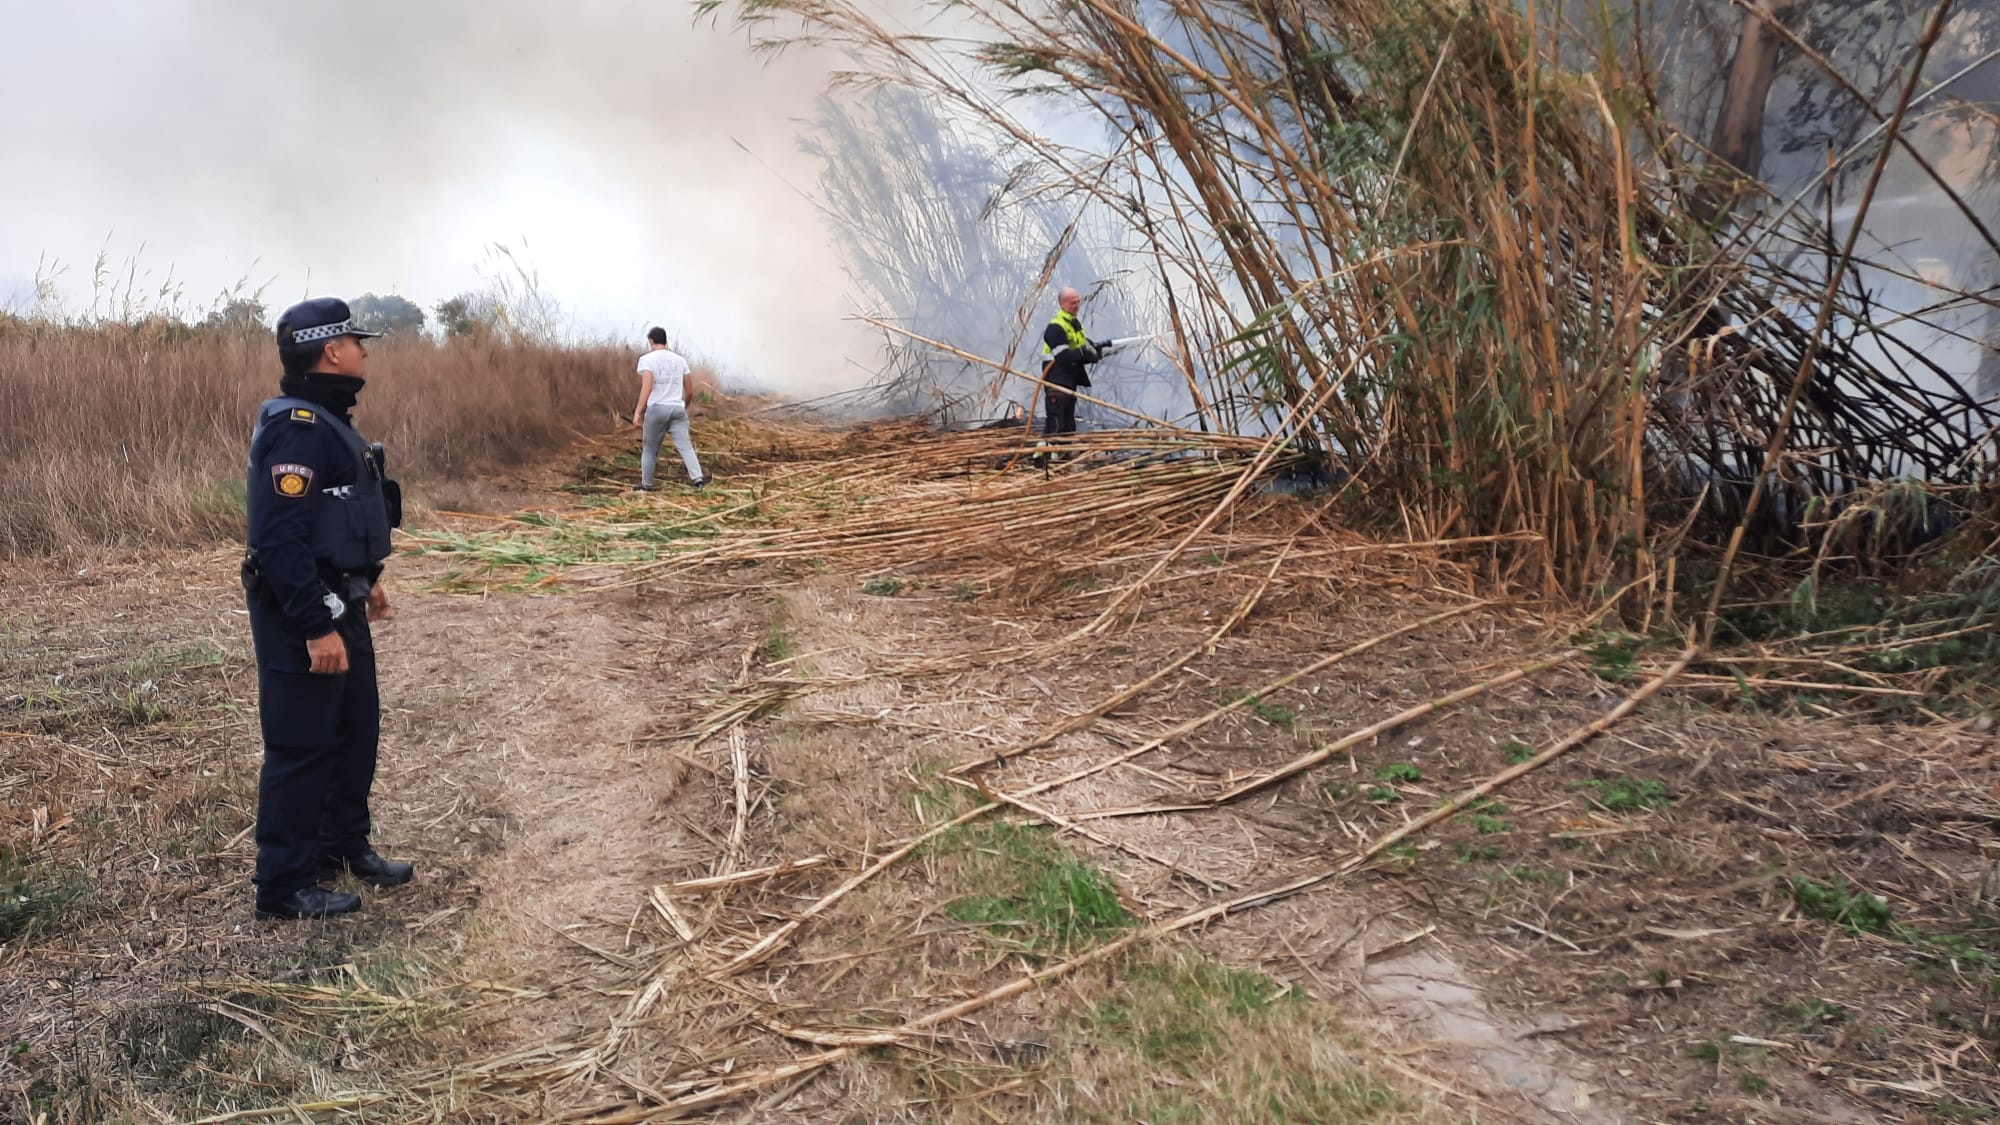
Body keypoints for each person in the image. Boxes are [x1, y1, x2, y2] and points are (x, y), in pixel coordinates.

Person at [241, 297, 412, 921]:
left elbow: (334, 517)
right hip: (303, 609)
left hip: (344, 596)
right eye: (357, 343)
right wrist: (315, 626)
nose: (365, 352)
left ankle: (343, 846)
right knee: (302, 745)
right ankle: (285, 884)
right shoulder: (299, 428)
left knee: (353, 730)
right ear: (332, 350)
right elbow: (279, 540)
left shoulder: (328, 419)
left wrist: (367, 582)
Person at [631, 326, 707, 490]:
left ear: (651, 341)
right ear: (666, 341)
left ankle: (646, 485)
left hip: (657, 409)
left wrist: (638, 411)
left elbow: (647, 387)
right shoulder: (680, 360)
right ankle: (698, 480)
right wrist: (683, 406)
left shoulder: (647, 359)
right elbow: (690, 390)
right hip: (677, 409)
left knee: (650, 449)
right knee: (686, 447)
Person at [1039, 287, 1114, 441]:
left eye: (1078, 302)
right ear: (1062, 304)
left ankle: (1063, 456)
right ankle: (1045, 458)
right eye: (1072, 303)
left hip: (1068, 380)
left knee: (1068, 424)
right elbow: (1063, 356)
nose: (1077, 306)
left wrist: (1094, 353)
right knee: (1056, 422)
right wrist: (1084, 351)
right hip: (1056, 381)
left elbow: (1078, 354)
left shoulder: (1074, 325)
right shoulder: (1056, 327)